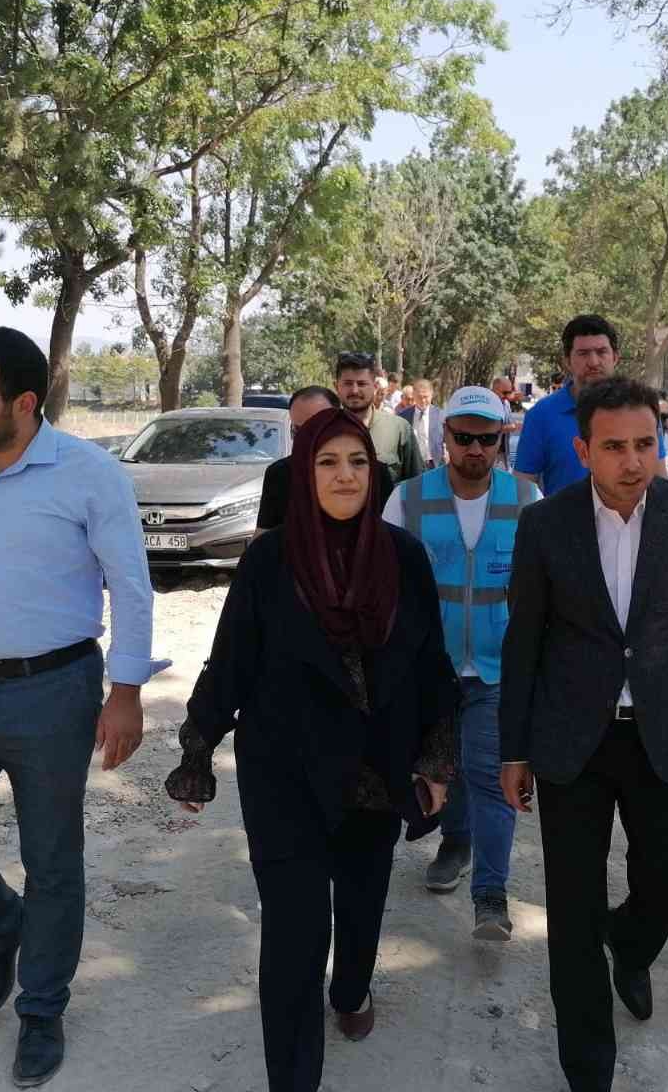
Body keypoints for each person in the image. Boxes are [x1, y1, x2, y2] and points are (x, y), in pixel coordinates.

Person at [165, 407, 460, 1092]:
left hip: (376, 768)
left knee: (360, 902)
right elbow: (230, 663)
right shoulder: (268, 561)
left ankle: (352, 988)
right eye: (328, 462)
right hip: (285, 771)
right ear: (304, 474)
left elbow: (431, 668)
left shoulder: (403, 557)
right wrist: (198, 750)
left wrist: (436, 759)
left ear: (374, 474)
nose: (344, 475)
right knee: (293, 935)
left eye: (357, 462)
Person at [0, 327, 160, 1088]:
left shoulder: (90, 473)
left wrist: (126, 692)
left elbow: (131, 587)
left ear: (24, 402)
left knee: (51, 860)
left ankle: (41, 1008)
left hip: (52, 692)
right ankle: (1, 926)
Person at [500, 376, 668, 1092]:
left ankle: (629, 946)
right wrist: (513, 749)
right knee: (572, 910)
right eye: (614, 447)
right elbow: (524, 640)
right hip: (570, 739)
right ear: (583, 451)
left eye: (645, 444)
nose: (633, 461)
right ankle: (588, 1068)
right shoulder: (546, 524)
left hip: (659, 736)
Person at [382, 386, 540, 934]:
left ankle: (491, 896)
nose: (475, 449)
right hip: (431, 670)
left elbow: (543, 592)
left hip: (497, 669)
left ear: (502, 439)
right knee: (442, 768)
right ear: (444, 437)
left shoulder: (527, 500)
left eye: (487, 439)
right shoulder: (406, 500)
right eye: (464, 437)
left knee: (491, 776)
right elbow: (386, 590)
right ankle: (455, 841)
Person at [514, 315, 663, 494]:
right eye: (583, 353)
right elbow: (522, 488)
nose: (593, 362)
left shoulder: (642, 411)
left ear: (615, 357)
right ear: (567, 361)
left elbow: (660, 481)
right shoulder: (541, 416)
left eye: (601, 352)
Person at [255, 387, 393, 537]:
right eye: (299, 430)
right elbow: (262, 534)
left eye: (319, 426)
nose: (345, 476)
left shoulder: (376, 473)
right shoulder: (280, 474)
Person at [334, 352, 423, 484]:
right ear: (336, 387)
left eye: (362, 384)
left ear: (375, 387)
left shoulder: (398, 430)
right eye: (348, 384)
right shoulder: (324, 431)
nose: (354, 390)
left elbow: (418, 484)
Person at [398, 377, 444, 468]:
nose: (423, 401)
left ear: (431, 395)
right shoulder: (403, 416)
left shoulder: (440, 415)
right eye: (419, 397)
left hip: (434, 464)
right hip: (412, 465)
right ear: (414, 395)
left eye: (426, 397)